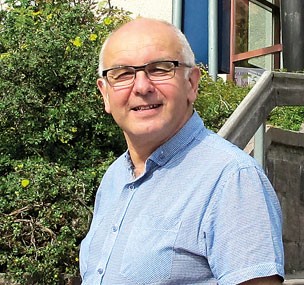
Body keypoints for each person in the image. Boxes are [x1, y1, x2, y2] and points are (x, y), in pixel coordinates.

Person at [80, 17, 284, 284]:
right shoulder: (114, 178)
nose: (141, 87)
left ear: (191, 83)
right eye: (123, 74)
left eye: (160, 69)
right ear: (105, 94)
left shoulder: (231, 179)